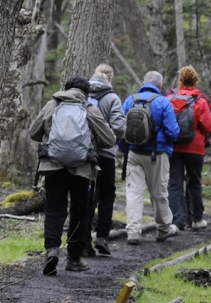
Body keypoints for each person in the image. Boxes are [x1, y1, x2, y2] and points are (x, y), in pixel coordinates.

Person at [28, 75, 116, 276]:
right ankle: (74, 259)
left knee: (54, 210)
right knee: (79, 212)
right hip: (83, 170)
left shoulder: (53, 104)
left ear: (66, 88)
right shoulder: (89, 109)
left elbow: (34, 132)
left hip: (53, 167)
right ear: (86, 92)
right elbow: (109, 139)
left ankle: (51, 250)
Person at [120, 71, 180, 245]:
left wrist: (125, 150)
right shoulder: (163, 102)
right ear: (160, 85)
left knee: (133, 193)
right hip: (157, 154)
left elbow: (121, 129)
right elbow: (173, 132)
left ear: (143, 82)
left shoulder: (130, 100)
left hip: (133, 154)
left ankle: (132, 232)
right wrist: (166, 147)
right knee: (159, 193)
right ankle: (163, 229)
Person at [166, 66, 211, 230]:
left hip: (174, 147)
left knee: (174, 184)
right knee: (194, 183)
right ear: (196, 81)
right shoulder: (200, 101)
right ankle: (196, 219)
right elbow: (209, 127)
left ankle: (177, 220)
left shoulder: (169, 99)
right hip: (195, 148)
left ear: (180, 81)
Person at [84, 64, 125, 257]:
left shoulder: (82, 95)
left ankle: (84, 240)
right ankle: (102, 237)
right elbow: (118, 127)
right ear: (111, 78)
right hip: (106, 155)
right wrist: (110, 143)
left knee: (86, 196)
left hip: (85, 154)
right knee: (107, 195)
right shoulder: (112, 98)